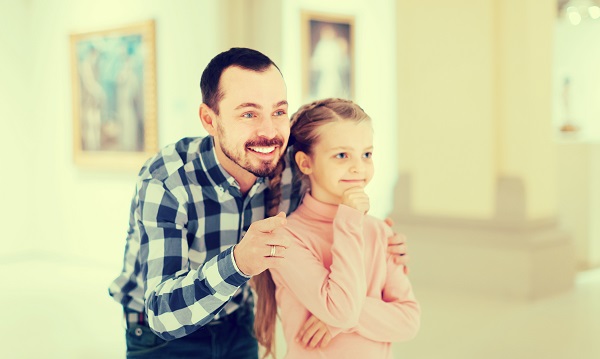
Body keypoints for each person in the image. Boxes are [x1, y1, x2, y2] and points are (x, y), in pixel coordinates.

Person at [108, 47, 409, 359]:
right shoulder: (166, 180)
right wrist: (239, 263)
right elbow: (162, 315)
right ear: (209, 120)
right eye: (249, 114)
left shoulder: (295, 163)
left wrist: (377, 241)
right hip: (159, 336)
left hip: (238, 322)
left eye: (278, 112)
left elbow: (337, 177)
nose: (269, 132)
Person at [253, 98, 420, 359]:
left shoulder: (379, 231)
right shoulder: (285, 239)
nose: (358, 167)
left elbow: (408, 321)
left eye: (366, 154)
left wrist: (336, 322)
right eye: (341, 155)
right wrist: (349, 220)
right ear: (305, 163)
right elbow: (341, 309)